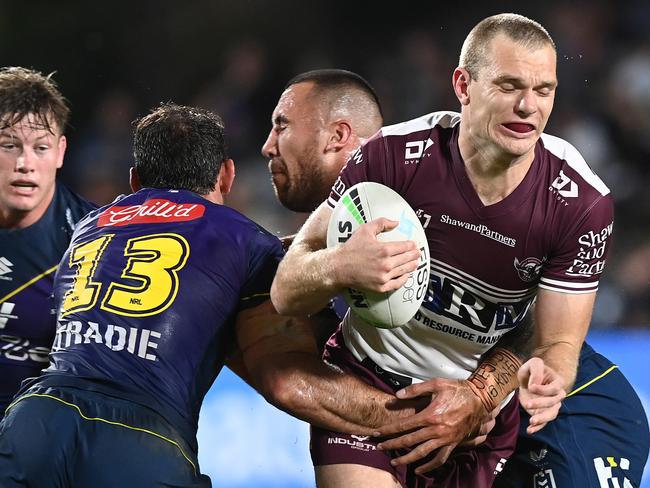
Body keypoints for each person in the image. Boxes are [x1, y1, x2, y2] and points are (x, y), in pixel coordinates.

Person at [270, 15, 648, 488]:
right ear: (463, 85)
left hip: (476, 413)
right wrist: (339, 264)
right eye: (509, 86)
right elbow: (287, 288)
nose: (528, 106)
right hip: (368, 382)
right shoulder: (392, 157)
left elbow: (556, 344)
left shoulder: (580, 203)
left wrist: (499, 392)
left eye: (543, 90)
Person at [0, 102, 447, 487]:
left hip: (34, 420)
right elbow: (285, 381)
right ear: (227, 177)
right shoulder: (244, 242)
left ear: (135, 181)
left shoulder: (87, 227)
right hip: (138, 439)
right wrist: (416, 421)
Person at [262, 68, 565, 487]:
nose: (267, 146)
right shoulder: (283, 254)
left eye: (281, 126)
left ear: (338, 136)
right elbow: (291, 380)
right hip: (388, 396)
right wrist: (426, 418)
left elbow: (543, 325)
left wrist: (479, 396)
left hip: (512, 396)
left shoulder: (431, 185)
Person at [0, 66, 96, 416]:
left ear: (60, 152)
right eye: (9, 146)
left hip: (46, 436)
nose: (25, 163)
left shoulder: (96, 239)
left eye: (40, 147)